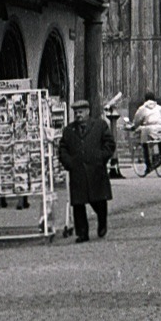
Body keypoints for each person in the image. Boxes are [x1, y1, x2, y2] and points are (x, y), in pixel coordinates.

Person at [58, 98, 116, 243]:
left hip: (96, 169)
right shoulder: (69, 130)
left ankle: (102, 222)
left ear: (88, 112)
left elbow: (109, 143)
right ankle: (82, 233)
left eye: (81, 112)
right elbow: (62, 149)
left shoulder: (100, 126)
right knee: (78, 203)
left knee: (99, 200)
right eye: (76, 112)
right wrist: (68, 163)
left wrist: (101, 157)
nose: (78, 115)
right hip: (77, 171)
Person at [131, 92, 161, 174]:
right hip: (160, 127)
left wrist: (135, 125)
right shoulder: (159, 107)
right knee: (160, 138)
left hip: (149, 128)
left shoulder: (142, 108)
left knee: (144, 143)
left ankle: (148, 165)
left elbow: (137, 120)